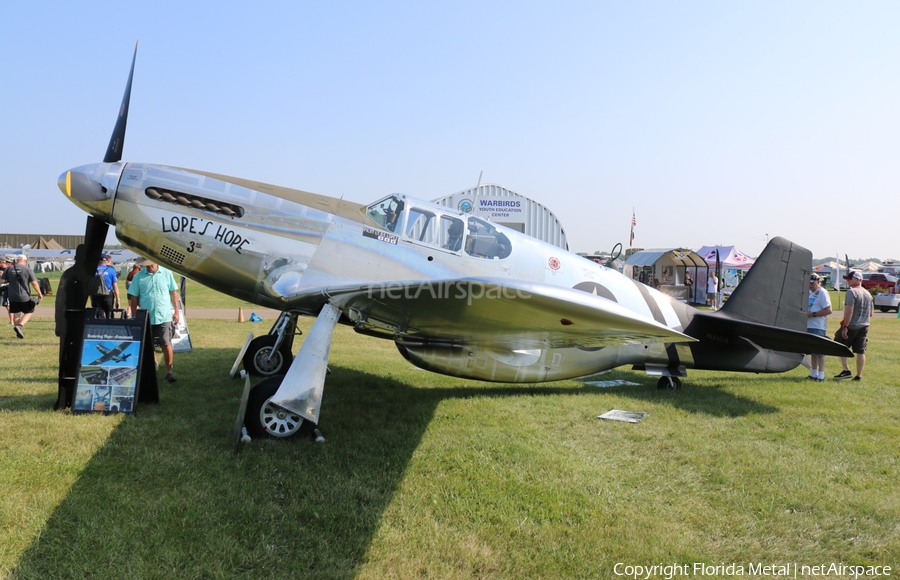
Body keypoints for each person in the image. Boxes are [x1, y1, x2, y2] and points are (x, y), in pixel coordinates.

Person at [128, 259, 180, 383]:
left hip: (164, 316)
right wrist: (135, 316)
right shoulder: (138, 277)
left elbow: (173, 293)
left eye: (150, 264)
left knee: (166, 343)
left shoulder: (167, 273)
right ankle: (153, 369)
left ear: (156, 263)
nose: (149, 267)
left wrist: (177, 312)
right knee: (148, 345)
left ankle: (169, 372)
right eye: (146, 265)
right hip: (146, 316)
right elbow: (134, 297)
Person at [834, 271, 873, 381]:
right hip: (864, 325)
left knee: (839, 345)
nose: (848, 281)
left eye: (850, 278)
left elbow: (849, 311)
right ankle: (858, 376)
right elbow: (871, 313)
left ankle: (846, 370)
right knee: (861, 351)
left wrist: (845, 327)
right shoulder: (868, 294)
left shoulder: (851, 292)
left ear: (858, 279)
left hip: (852, 325)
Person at [0, 254, 43, 339]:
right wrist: (39, 293)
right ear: (25, 261)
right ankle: (20, 326)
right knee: (29, 311)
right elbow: (34, 283)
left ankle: (18, 334)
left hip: (12, 295)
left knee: (16, 314)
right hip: (24, 295)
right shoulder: (27, 269)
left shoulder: (9, 269)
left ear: (16, 260)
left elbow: (2, 281)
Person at [806, 274, 833, 382]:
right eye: (808, 283)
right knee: (813, 351)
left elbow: (828, 310)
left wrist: (813, 314)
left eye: (812, 283)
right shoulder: (809, 292)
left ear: (818, 281)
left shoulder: (822, 293)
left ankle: (821, 375)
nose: (810, 285)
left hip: (818, 326)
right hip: (809, 325)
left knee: (820, 352)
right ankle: (813, 373)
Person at [91, 252, 121, 318]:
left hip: (96, 294)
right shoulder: (111, 270)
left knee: (98, 315)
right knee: (110, 313)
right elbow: (115, 286)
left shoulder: (93, 270)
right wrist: (118, 299)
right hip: (108, 294)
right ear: (106, 261)